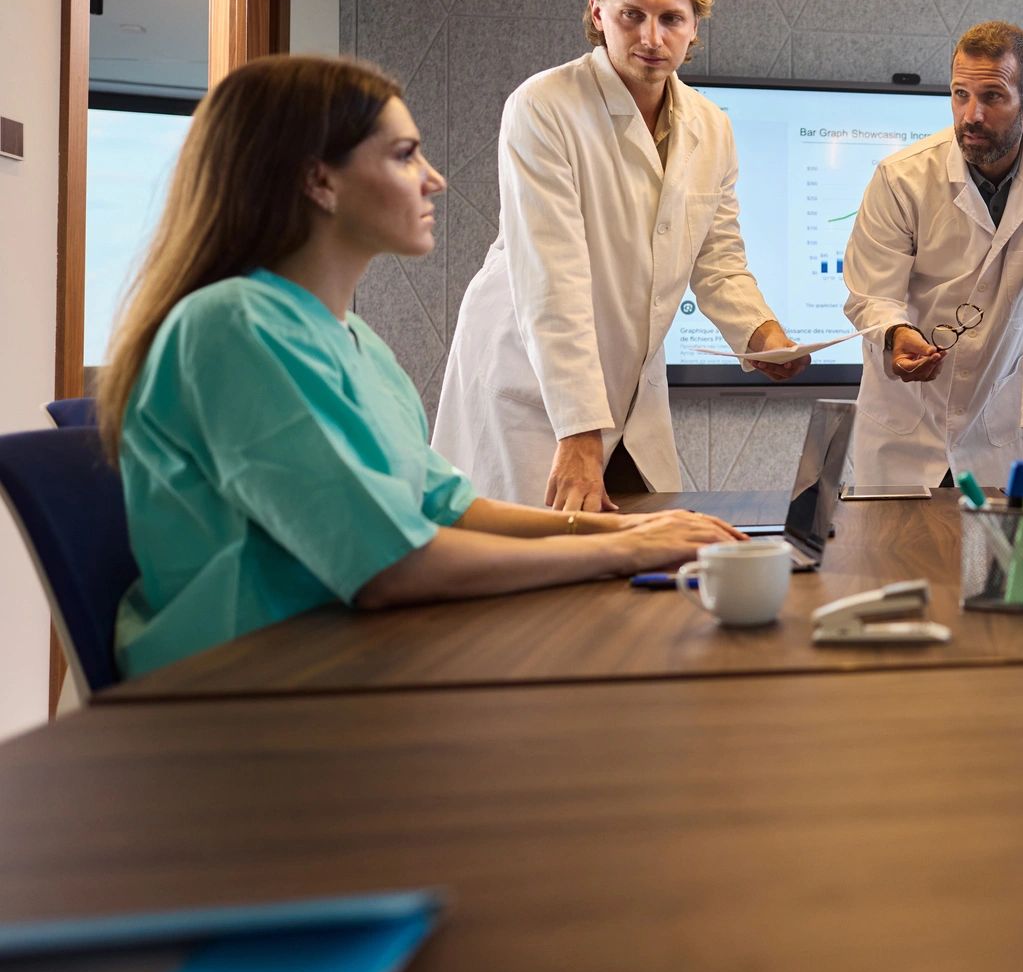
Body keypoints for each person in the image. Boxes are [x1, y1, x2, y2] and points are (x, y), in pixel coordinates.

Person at [98, 56, 749, 679]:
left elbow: (448, 506)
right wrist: (620, 549)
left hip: (339, 651)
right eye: (405, 155)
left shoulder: (349, 338)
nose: (434, 179)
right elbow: (390, 565)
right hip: (247, 685)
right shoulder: (235, 328)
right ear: (319, 181)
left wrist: (634, 526)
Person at [434, 0, 806, 512]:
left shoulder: (711, 125)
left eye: (671, 18)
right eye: (632, 14)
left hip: (630, 389)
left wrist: (762, 335)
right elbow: (551, 277)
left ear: (694, 26)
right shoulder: (544, 106)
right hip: (534, 385)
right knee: (534, 549)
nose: (652, 38)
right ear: (598, 13)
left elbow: (718, 256)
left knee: (641, 535)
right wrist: (578, 430)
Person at [842, 21, 1023, 491]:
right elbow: (871, 294)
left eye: (992, 97)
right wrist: (897, 334)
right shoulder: (900, 177)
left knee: (994, 542)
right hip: (903, 430)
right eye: (960, 94)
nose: (971, 115)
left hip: (994, 433)